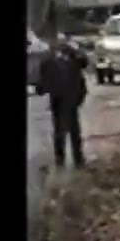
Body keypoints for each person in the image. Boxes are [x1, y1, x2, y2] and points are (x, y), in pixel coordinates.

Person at [38, 35, 89, 168]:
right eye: (59, 42)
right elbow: (43, 77)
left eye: (64, 42)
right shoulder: (49, 60)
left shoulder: (74, 58)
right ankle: (60, 158)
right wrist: (42, 88)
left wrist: (76, 50)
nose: (61, 45)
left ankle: (78, 158)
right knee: (60, 130)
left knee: (74, 131)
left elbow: (84, 62)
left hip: (72, 99)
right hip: (59, 100)